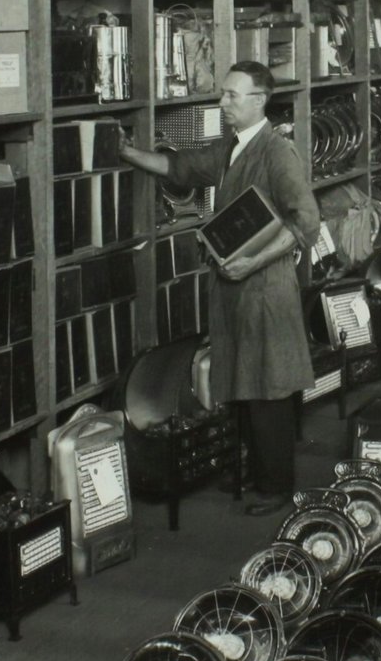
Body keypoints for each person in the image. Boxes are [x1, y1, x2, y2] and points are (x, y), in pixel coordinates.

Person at [121, 62, 321, 514]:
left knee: (268, 389)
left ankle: (277, 486)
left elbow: (305, 220)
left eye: (232, 95)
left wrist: (255, 259)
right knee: (246, 383)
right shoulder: (232, 147)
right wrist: (128, 153)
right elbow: (181, 167)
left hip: (266, 288)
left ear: (259, 100)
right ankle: (258, 470)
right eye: (223, 94)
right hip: (236, 289)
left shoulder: (276, 152)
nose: (223, 102)